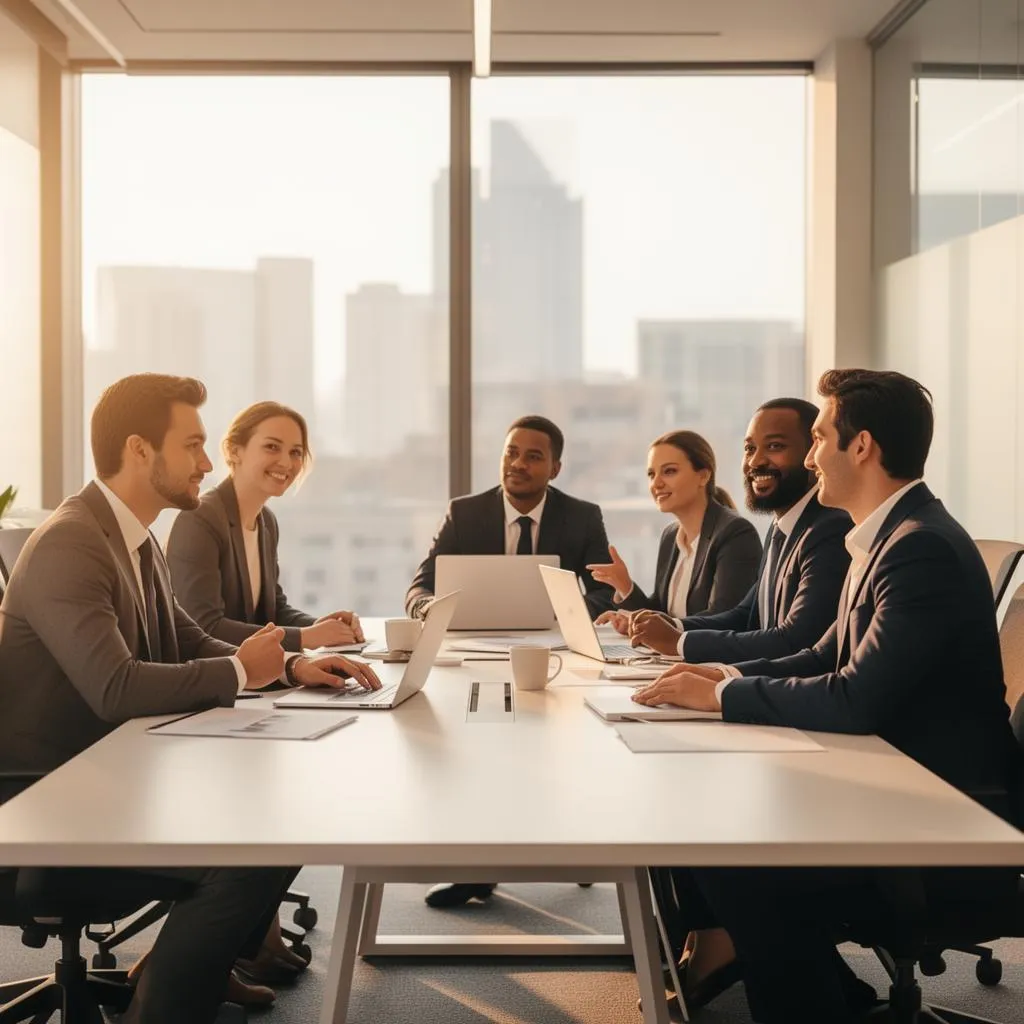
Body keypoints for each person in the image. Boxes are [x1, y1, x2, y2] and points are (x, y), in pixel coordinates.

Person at [632, 369, 1024, 1024]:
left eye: (818, 437)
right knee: (709, 829)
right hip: (892, 779)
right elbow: (822, 656)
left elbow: (854, 698)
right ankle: (841, 1000)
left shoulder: (917, 547)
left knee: (730, 857)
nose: (811, 456)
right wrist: (720, 681)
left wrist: (727, 700)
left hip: (938, 813)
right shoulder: (885, 537)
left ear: (861, 446)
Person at [0, 374, 380, 1024]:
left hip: (112, 777)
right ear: (141, 450)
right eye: (195, 444)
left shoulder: (136, 537)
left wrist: (290, 664)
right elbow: (115, 685)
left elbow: (184, 637)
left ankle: (171, 988)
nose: (208, 462)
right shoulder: (72, 541)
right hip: (47, 805)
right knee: (250, 852)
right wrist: (239, 671)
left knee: (280, 820)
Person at [610, 400, 851, 665]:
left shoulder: (829, 528)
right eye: (749, 449)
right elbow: (745, 614)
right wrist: (673, 626)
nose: (756, 460)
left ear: (812, 453)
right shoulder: (781, 526)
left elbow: (796, 639)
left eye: (775, 446)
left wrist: (679, 642)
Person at [166, 400, 363, 652]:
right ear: (234, 450)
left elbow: (274, 611)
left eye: (295, 452)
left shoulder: (266, 522)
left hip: (255, 680)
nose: (286, 462)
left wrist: (324, 628)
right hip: (213, 681)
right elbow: (204, 626)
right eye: (272, 447)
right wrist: (306, 637)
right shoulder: (199, 519)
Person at [405, 415, 614, 621]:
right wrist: (430, 609)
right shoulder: (463, 514)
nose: (518, 464)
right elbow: (421, 588)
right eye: (511, 453)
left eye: (533, 457)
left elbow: (607, 593)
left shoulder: (582, 518)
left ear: (555, 469)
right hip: (476, 639)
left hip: (553, 643)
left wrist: (564, 612)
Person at [589, 430, 761, 627]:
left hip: (712, 656)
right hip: (669, 656)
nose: (656, 483)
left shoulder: (735, 534)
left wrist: (654, 627)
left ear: (703, 476)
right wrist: (625, 587)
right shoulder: (671, 536)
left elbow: (724, 618)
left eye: (669, 471)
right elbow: (660, 612)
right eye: (651, 474)